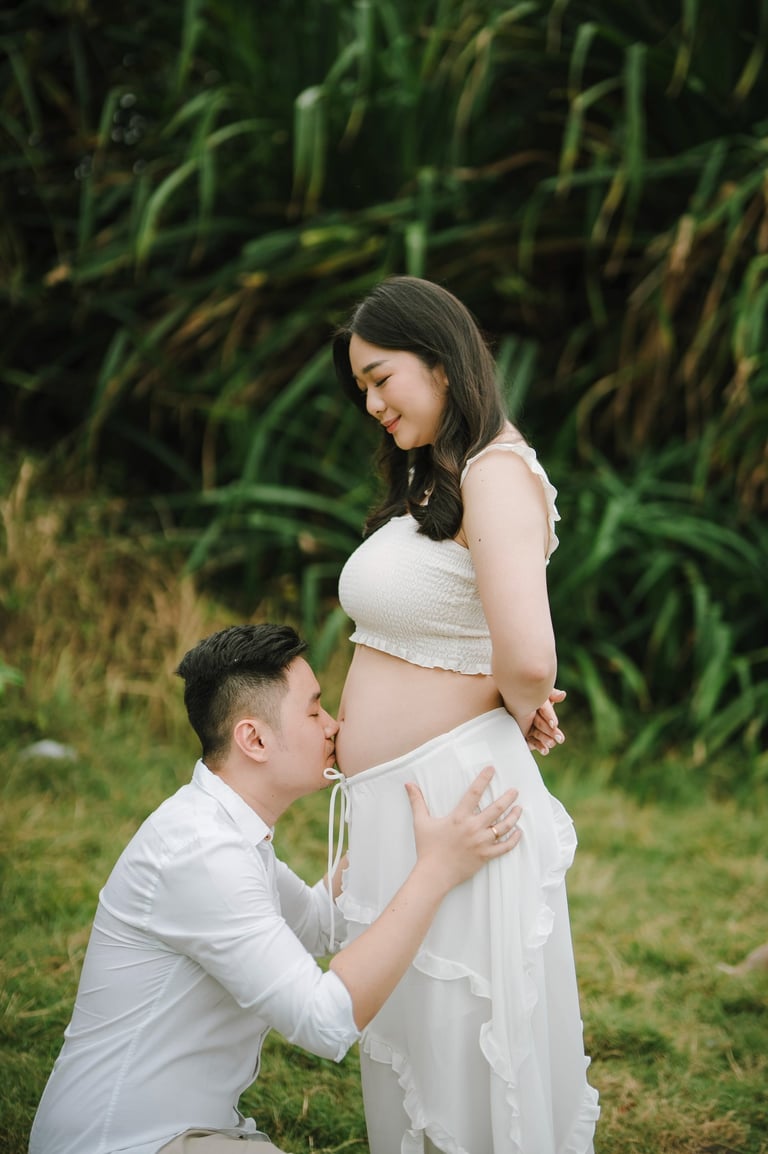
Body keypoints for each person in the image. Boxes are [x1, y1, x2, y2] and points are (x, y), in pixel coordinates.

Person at [28, 624, 524, 1154]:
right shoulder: (203, 854)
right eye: (314, 712)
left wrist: (406, 838)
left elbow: (317, 923)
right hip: (124, 1144)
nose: (333, 725)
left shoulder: (225, 828)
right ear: (254, 739)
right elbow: (324, 1021)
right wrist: (434, 873)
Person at [331, 276, 601, 1154]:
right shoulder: (440, 476)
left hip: (456, 797)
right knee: (423, 1041)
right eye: (361, 387)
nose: (371, 402)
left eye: (382, 378)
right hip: (412, 798)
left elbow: (529, 654)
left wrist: (527, 703)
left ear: (442, 364)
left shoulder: (495, 471)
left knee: (463, 1049)